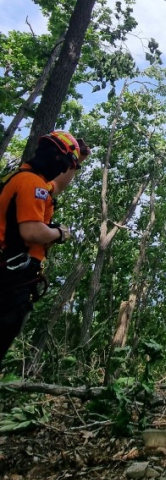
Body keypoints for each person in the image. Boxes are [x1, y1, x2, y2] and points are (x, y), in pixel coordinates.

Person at [0, 131, 91, 366]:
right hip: (8, 278)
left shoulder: (27, 178)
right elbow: (31, 232)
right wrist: (59, 233)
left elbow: (57, 186)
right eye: (66, 164)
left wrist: (77, 160)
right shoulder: (32, 184)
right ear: (57, 159)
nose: (63, 170)